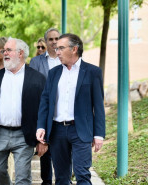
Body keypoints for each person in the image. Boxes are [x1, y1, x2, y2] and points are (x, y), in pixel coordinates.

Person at [0, 37, 47, 185]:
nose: (4, 53)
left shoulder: (38, 79)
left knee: (23, 177)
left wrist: (43, 139)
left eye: (8, 50)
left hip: (24, 133)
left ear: (20, 53)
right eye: (4, 50)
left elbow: (44, 109)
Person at [36, 33, 105, 185]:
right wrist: (41, 126)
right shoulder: (53, 73)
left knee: (82, 175)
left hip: (80, 130)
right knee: (61, 177)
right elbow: (45, 101)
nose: (57, 52)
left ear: (74, 49)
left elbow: (98, 105)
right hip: (57, 131)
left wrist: (99, 134)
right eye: (56, 48)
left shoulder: (93, 72)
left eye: (61, 48)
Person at [29, 28, 61, 185]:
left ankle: (64, 179)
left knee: (62, 150)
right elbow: (32, 87)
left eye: (57, 38)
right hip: (43, 111)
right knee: (44, 149)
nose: (54, 42)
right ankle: (46, 181)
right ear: (46, 41)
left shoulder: (66, 59)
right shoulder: (36, 62)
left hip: (63, 112)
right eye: (51, 39)